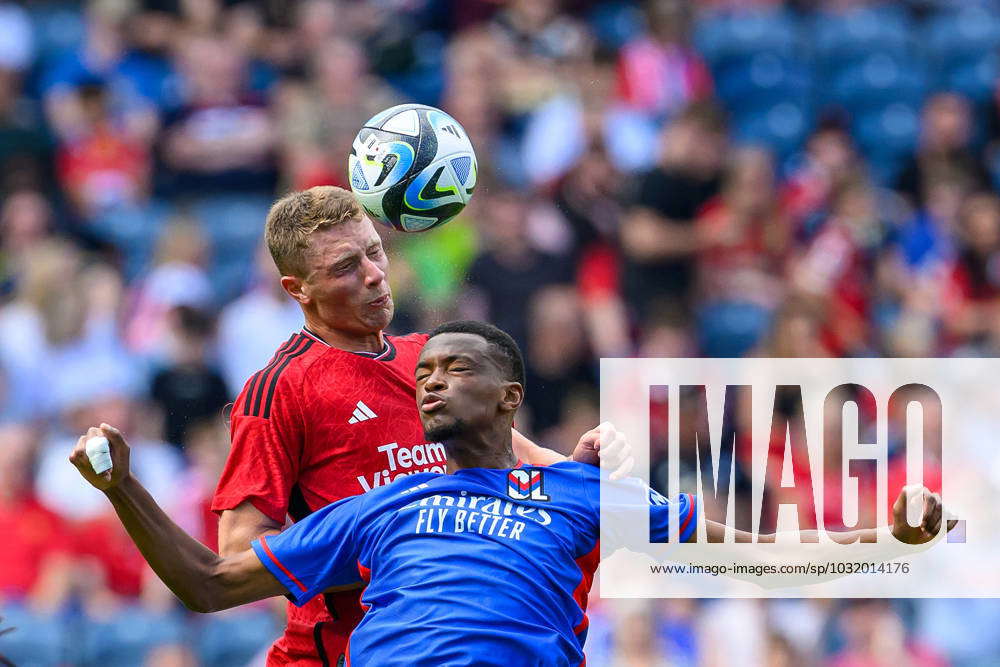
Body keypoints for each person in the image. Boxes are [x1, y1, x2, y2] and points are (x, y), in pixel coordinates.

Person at [71, 321, 949, 666]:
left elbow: (759, 562)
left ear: (509, 396)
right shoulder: (385, 504)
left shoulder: (580, 490)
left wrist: (891, 540)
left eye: (456, 370)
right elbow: (212, 583)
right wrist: (122, 488)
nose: (428, 383)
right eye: (423, 373)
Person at [210, 185, 621, 664]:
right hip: (340, 652)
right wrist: (395, 547)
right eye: (346, 267)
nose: (374, 275)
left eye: (375, 252)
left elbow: (519, 463)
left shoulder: (430, 359)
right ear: (297, 288)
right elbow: (238, 554)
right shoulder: (281, 389)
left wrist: (576, 469)